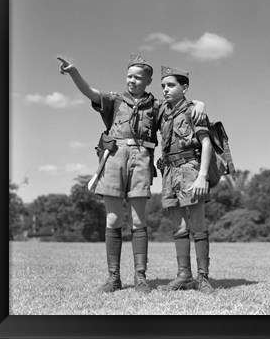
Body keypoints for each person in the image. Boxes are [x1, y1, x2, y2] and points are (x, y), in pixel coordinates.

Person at [56, 54, 205, 294]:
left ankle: (140, 277)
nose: (132, 81)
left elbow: (181, 104)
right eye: (129, 76)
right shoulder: (115, 101)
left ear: (148, 82)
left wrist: (200, 104)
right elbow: (90, 92)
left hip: (141, 160)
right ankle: (113, 277)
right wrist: (74, 72)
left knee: (138, 220)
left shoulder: (157, 106)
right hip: (114, 159)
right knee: (113, 219)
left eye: (138, 77)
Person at [156, 65, 215, 294]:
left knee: (198, 225)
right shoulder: (162, 112)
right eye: (163, 86)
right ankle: (184, 276)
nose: (166, 90)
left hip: (191, 170)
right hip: (169, 173)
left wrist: (202, 177)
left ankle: (202, 278)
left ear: (185, 87)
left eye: (171, 85)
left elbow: (207, 144)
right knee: (178, 227)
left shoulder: (194, 111)